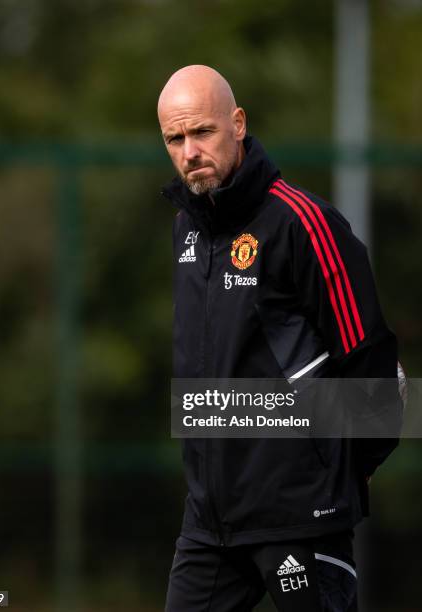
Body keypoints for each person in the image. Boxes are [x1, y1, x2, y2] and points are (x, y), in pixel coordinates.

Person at [158, 65, 402, 612]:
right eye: (176, 138)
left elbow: (371, 362)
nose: (190, 150)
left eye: (203, 132)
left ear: (238, 123)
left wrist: (328, 475)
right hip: (209, 523)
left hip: (299, 519)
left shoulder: (302, 222)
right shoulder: (186, 231)